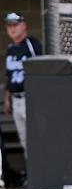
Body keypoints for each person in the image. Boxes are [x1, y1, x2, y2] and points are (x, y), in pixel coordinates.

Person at [4, 12, 42, 163]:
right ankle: (32, 178)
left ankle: (42, 175)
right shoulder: (10, 49)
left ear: (24, 25)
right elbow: (9, 75)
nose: (12, 29)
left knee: (37, 139)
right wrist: (8, 99)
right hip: (16, 99)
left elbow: (40, 71)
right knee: (24, 140)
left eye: (15, 25)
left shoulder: (31, 44)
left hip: (30, 98)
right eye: (9, 25)